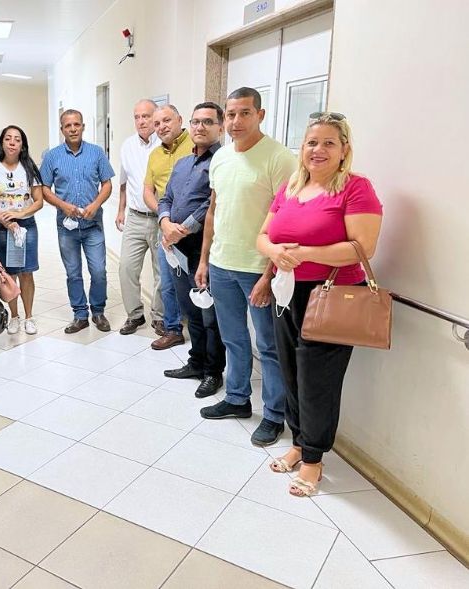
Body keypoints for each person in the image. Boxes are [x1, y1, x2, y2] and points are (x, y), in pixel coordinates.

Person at [256, 112, 382, 496]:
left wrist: (305, 253)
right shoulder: (291, 187)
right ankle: (298, 443)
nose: (318, 150)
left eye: (329, 142)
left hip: (329, 295)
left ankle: (313, 460)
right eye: (312, 142)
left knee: (318, 381)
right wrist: (276, 252)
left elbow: (363, 247)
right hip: (287, 291)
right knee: (291, 372)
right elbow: (263, 236)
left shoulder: (356, 188)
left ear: (344, 149)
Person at [195, 87, 298, 447]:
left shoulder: (280, 159)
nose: (236, 121)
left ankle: (274, 415)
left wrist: (269, 276)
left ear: (260, 115)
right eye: (230, 114)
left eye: (244, 113)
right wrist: (205, 259)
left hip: (258, 270)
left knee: (268, 346)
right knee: (233, 339)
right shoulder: (221, 157)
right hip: (222, 264)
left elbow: (286, 223)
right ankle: (237, 399)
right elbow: (213, 211)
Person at [159, 102, 227, 398]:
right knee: (190, 309)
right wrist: (165, 223)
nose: (200, 127)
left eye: (208, 122)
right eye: (196, 121)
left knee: (209, 314)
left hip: (203, 248)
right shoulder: (183, 163)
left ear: (220, 128)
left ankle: (213, 372)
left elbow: (213, 203)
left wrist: (183, 228)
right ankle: (196, 363)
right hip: (176, 249)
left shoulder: (222, 162)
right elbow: (166, 197)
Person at [41, 109, 115, 334]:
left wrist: (96, 204)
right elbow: (44, 188)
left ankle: (98, 311)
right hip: (67, 227)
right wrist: (63, 205)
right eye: (68, 126)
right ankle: (80, 315)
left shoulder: (96, 153)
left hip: (93, 226)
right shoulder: (52, 156)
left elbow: (107, 184)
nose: (73, 129)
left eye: (76, 124)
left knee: (99, 271)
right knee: (73, 273)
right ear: (62, 129)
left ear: (83, 126)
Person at [0, 125, 44, 335]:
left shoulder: (29, 167)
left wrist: (20, 214)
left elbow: (39, 201)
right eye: (8, 138)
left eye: (17, 139)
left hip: (26, 227)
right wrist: (4, 220)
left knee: (26, 273)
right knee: (8, 274)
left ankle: (29, 317)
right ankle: (14, 316)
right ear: (1, 143)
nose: (12, 142)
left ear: (22, 145)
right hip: (1, 228)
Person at [142, 104, 192, 350]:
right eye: (157, 123)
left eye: (167, 120)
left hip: (194, 228)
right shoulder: (155, 155)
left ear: (180, 119)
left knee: (198, 281)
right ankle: (173, 329)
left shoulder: (195, 146)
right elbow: (147, 191)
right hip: (166, 228)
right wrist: (164, 218)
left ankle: (202, 334)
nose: (161, 127)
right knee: (168, 281)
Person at [116, 99, 163, 335]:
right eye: (137, 117)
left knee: (161, 272)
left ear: (156, 117)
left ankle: (160, 316)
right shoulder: (127, 146)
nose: (141, 121)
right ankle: (135, 314)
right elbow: (124, 182)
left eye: (146, 116)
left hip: (160, 219)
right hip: (135, 217)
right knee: (126, 267)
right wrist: (120, 209)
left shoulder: (165, 145)